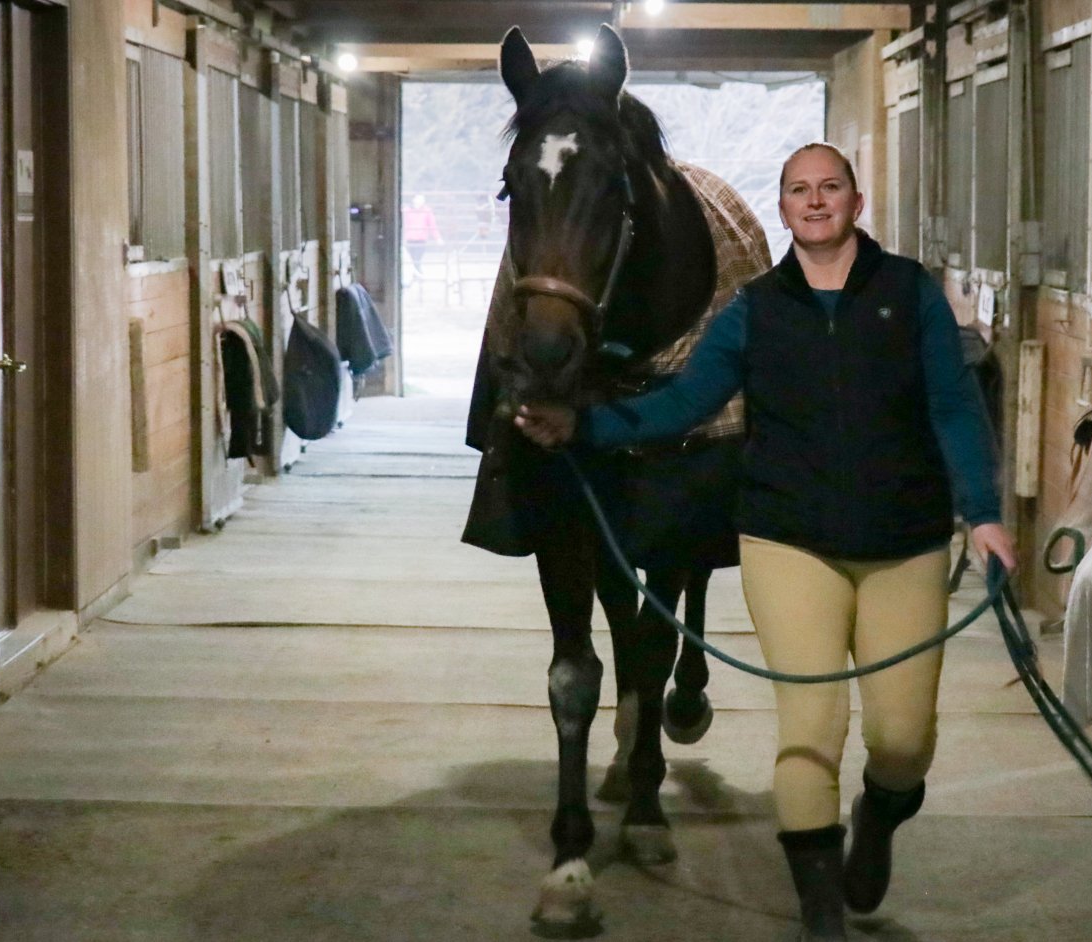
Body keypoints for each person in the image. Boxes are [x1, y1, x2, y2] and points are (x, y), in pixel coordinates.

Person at [513, 142, 1016, 941]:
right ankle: (821, 914)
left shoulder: (908, 294)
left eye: (829, 188)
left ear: (855, 201)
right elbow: (681, 407)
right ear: (783, 209)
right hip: (790, 541)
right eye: (798, 191)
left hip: (905, 540)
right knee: (810, 729)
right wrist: (583, 426)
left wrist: (983, 513)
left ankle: (880, 817)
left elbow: (954, 406)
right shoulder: (753, 310)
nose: (814, 202)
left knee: (902, 739)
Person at [401, 194, 443, 274]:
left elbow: (432, 225)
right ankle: (417, 274)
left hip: (421, 239)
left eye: (422, 199)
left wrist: (437, 238)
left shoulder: (427, 211)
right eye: (418, 199)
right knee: (412, 259)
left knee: (417, 258)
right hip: (410, 239)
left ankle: (417, 273)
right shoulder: (406, 210)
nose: (420, 201)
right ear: (413, 200)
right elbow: (403, 223)